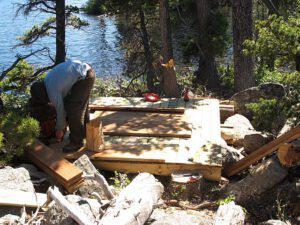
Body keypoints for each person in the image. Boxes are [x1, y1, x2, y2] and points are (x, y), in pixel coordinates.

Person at [28, 59, 95, 152]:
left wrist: (59, 129)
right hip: (84, 70)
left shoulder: (52, 91)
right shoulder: (47, 81)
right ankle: (85, 132)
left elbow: (61, 112)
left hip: (84, 76)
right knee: (81, 105)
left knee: (74, 109)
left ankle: (77, 142)